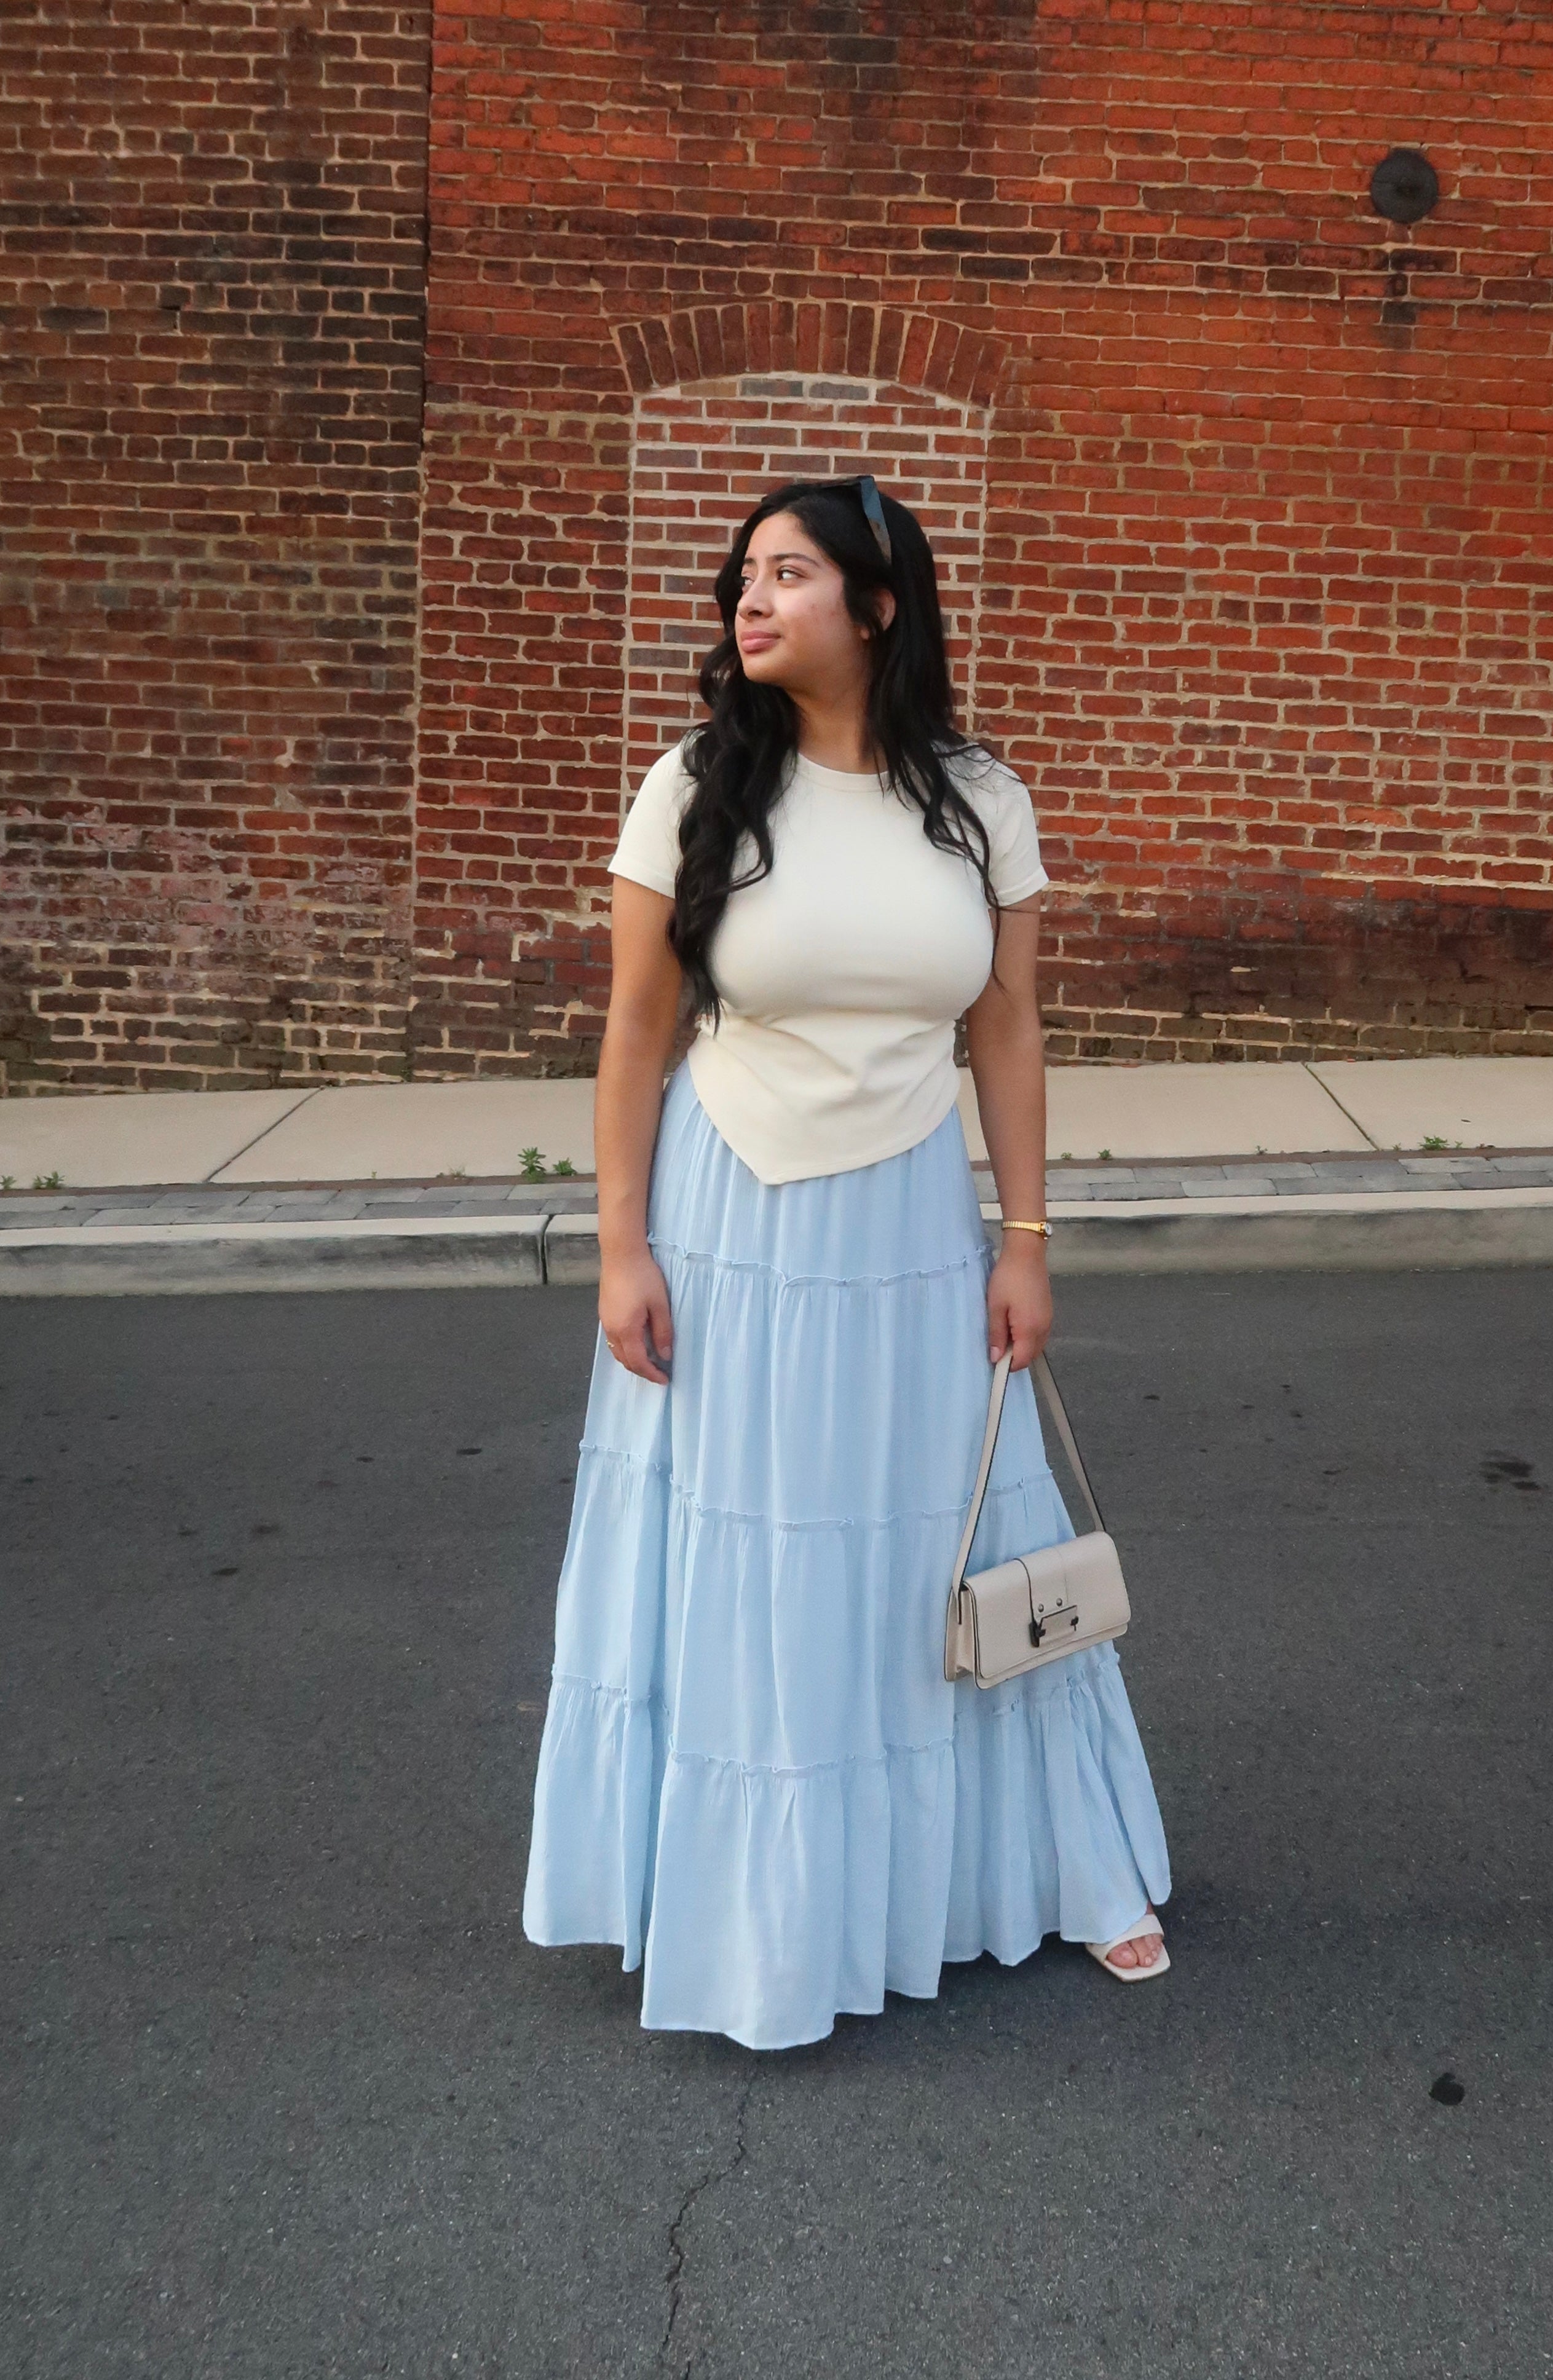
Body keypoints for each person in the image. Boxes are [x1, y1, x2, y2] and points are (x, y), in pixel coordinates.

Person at [522, 474, 1171, 2051]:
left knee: (954, 1528)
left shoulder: (979, 799)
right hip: (730, 1218)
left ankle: (1058, 1864)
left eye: (790, 573)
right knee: (762, 1550)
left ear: (878, 608)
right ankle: (763, 1911)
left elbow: (1006, 1028)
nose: (752, 599)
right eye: (745, 575)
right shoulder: (696, 786)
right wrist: (620, 1248)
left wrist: (1026, 1240)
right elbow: (635, 1031)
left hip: (914, 1224)